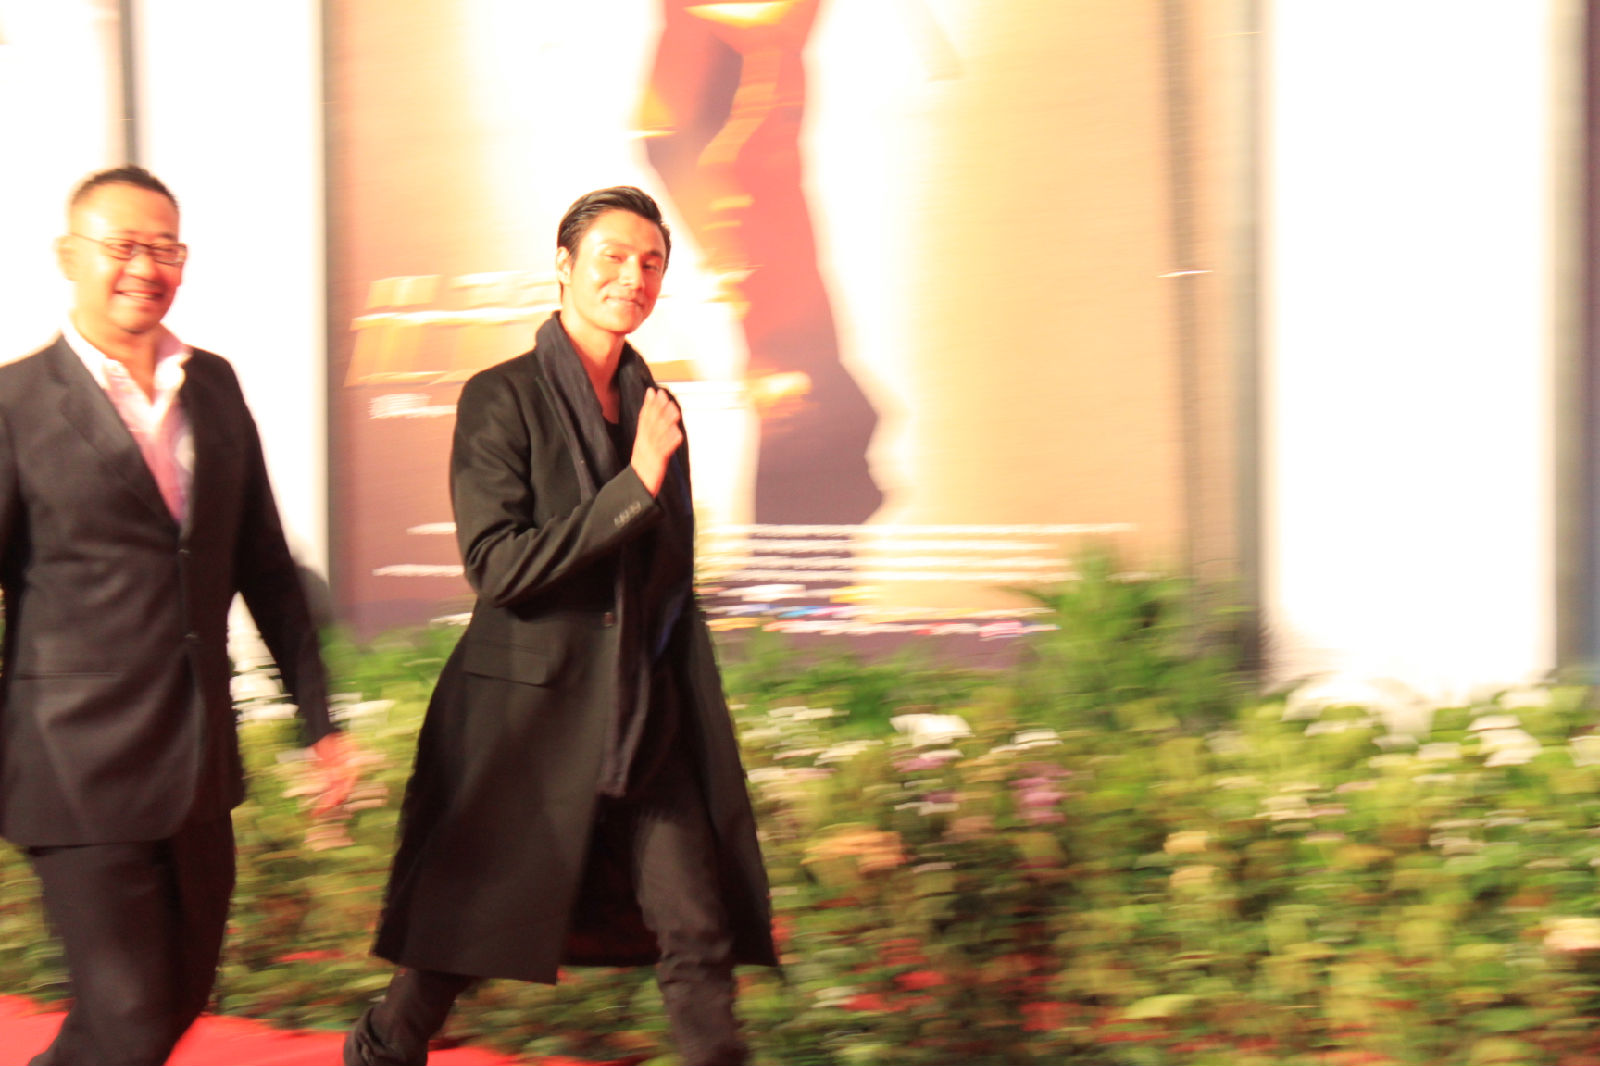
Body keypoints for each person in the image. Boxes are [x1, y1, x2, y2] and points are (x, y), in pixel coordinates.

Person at [346, 186, 776, 1066]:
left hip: (645, 716)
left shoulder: (655, 406)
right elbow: (497, 566)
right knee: (457, 945)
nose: (633, 277)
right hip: (529, 722)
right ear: (564, 265)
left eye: (651, 262)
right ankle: (385, 1047)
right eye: (613, 257)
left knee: (696, 931)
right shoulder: (499, 396)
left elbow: (665, 571)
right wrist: (634, 485)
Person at [0, 166, 353, 1066]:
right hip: (73, 766)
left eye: (165, 249)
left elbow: (266, 567)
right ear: (68, 256)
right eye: (122, 246)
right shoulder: (14, 404)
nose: (145, 268)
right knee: (126, 1015)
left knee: (176, 1000)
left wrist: (319, 723)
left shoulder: (215, 386)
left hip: (196, 762)